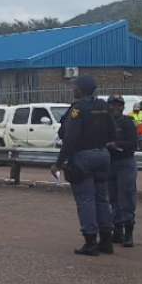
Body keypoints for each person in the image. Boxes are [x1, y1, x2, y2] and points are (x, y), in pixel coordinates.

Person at [51, 75, 117, 256]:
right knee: (102, 199)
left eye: (75, 87)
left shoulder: (78, 109)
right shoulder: (104, 106)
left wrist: (58, 163)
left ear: (81, 89)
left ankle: (90, 242)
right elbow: (113, 132)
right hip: (103, 156)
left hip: (83, 156)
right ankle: (106, 241)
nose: (73, 89)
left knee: (86, 200)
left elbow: (70, 138)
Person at [106, 96, 139, 248]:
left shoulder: (127, 122)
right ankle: (117, 230)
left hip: (125, 162)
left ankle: (128, 232)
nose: (115, 108)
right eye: (112, 105)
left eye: (118, 105)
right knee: (113, 198)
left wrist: (116, 144)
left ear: (122, 107)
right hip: (110, 163)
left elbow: (133, 143)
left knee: (126, 197)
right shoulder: (104, 123)